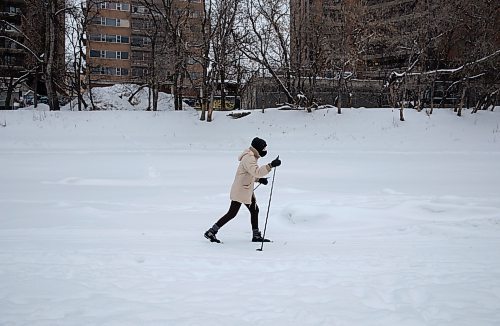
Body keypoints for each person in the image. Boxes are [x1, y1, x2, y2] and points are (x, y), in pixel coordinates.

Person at [204, 137, 282, 243]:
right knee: (232, 213)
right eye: (264, 149)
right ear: (258, 148)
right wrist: (270, 165)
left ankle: (256, 235)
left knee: (254, 210)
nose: (265, 151)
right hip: (241, 190)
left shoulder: (251, 156)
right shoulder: (249, 158)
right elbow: (256, 171)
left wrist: (259, 179)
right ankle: (211, 232)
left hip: (245, 189)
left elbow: (249, 174)